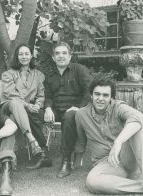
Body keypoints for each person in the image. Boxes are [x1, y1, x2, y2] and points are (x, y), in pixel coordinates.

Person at [73, 78, 143, 196]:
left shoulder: (118, 107)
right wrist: (76, 163)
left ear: (111, 97)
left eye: (105, 95)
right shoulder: (81, 114)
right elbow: (81, 141)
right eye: (97, 94)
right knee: (92, 181)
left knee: (138, 125)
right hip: (107, 165)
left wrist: (118, 142)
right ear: (91, 95)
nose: (100, 98)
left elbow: (139, 116)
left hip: (127, 157)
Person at [43, 42, 93, 178]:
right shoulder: (49, 74)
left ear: (70, 56)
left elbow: (89, 91)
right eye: (57, 53)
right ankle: (41, 154)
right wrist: (47, 108)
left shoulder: (79, 70)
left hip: (75, 111)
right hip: (55, 110)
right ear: (53, 58)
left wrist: (79, 107)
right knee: (33, 113)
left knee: (69, 117)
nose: (61, 56)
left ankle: (66, 161)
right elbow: (47, 94)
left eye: (64, 53)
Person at [0, 44, 52, 169]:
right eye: (21, 54)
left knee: (33, 114)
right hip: (9, 106)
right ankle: (32, 140)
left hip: (27, 109)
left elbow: (41, 94)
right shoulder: (7, 74)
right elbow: (11, 95)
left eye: (27, 54)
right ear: (17, 57)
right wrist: (28, 105)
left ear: (31, 55)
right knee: (17, 104)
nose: (24, 56)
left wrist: (38, 106)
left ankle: (42, 153)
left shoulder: (38, 75)